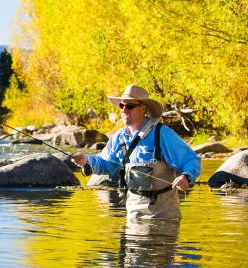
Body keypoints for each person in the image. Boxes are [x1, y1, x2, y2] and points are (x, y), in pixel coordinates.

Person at [71, 84, 200, 219]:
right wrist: (86, 160)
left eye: (130, 106)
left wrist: (186, 177)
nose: (124, 110)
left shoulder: (161, 133)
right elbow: (106, 164)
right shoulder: (119, 137)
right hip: (133, 215)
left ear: (143, 108)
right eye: (122, 106)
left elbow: (191, 160)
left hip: (163, 216)